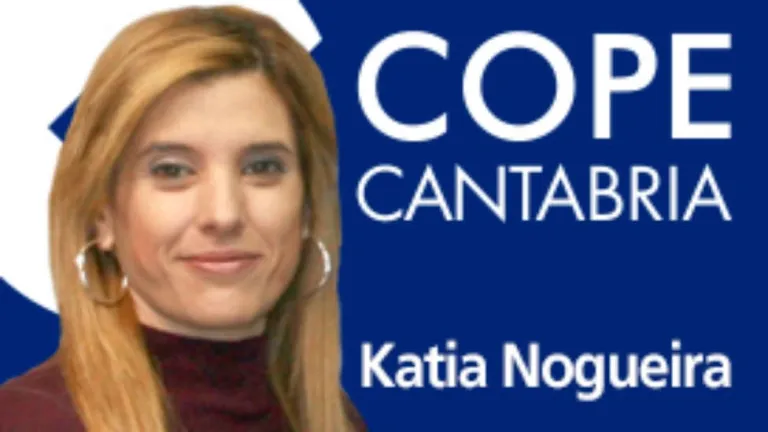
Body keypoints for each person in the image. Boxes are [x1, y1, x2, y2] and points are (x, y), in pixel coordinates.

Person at [0, 5, 365, 432]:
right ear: (101, 214)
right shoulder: (29, 421)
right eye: (172, 171)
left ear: (307, 207)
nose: (224, 214)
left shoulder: (334, 419)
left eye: (262, 167)